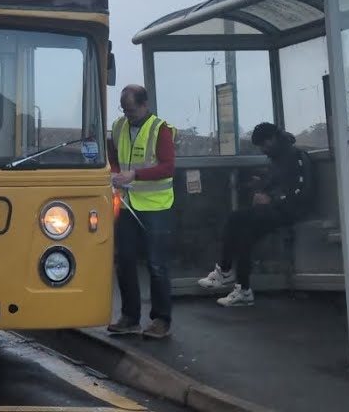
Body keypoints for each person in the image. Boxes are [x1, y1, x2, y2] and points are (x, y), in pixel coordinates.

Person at [197, 122, 316, 307]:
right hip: (277, 209)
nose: (263, 150)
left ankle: (225, 271)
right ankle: (243, 290)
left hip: (288, 212)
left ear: (274, 138)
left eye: (264, 145)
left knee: (236, 218)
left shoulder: (296, 156)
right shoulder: (278, 158)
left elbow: (301, 191)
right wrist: (255, 186)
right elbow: (275, 182)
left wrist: (271, 199)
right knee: (245, 235)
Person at [105, 84, 176, 339]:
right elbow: (112, 156)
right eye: (124, 110)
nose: (128, 115)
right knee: (124, 261)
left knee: (157, 264)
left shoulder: (160, 130)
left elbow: (168, 167)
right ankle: (130, 317)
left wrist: (135, 174)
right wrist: (114, 172)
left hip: (155, 206)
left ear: (145, 105)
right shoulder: (118, 126)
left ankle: (161, 319)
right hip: (126, 203)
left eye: (132, 110)